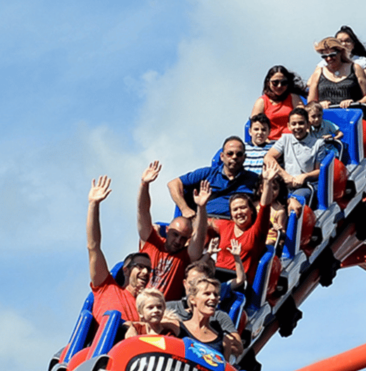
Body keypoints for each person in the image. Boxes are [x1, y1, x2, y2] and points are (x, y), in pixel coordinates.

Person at [85, 175, 148, 323]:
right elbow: (93, 246)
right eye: (140, 267)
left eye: (149, 270)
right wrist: (94, 205)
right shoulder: (106, 287)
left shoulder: (147, 308)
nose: (145, 272)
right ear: (126, 269)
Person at [135, 160, 192, 301]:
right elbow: (143, 212)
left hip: (162, 312)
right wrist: (144, 185)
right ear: (167, 230)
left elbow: (200, 237)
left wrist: (201, 209)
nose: (178, 241)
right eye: (175, 235)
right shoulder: (152, 242)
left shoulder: (184, 256)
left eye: (183, 238)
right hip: (138, 304)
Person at [167, 137, 260, 220]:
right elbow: (173, 183)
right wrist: (185, 209)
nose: (234, 157)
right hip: (205, 223)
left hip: (238, 225)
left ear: (244, 157)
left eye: (239, 154)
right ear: (222, 157)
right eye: (230, 153)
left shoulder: (254, 179)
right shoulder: (207, 173)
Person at [265, 107, 327, 209]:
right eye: (294, 124)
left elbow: (319, 171)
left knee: (295, 202)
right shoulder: (285, 138)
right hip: (286, 185)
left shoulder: (318, 143)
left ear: (308, 124)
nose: (297, 127)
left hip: (306, 186)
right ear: (288, 126)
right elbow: (268, 157)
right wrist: (285, 175)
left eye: (301, 123)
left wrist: (304, 176)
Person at [307, 37, 366, 111]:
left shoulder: (355, 68)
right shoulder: (319, 71)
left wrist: (354, 104)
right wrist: (320, 104)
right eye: (325, 56)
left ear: (341, 52)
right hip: (326, 117)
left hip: (351, 114)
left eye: (332, 55)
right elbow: (311, 101)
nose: (329, 59)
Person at [251, 65, 307, 142]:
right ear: (268, 82)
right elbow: (254, 125)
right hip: (269, 142)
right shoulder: (262, 101)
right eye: (275, 83)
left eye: (283, 83)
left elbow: (304, 117)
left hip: (292, 141)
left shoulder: (293, 98)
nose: (279, 86)